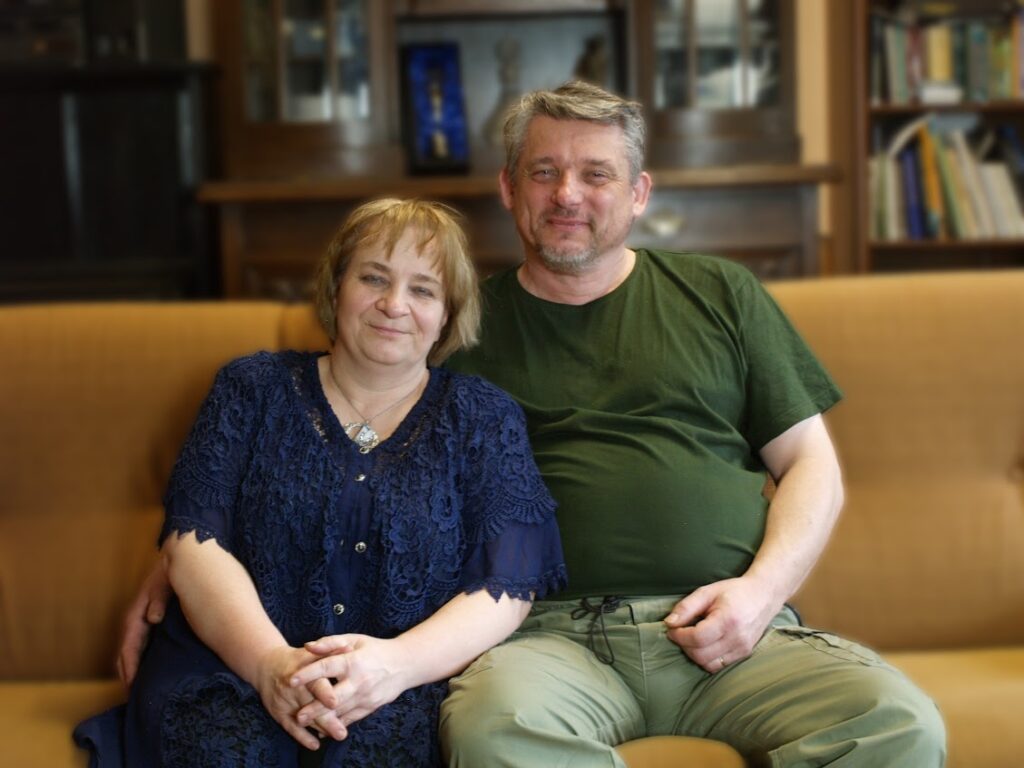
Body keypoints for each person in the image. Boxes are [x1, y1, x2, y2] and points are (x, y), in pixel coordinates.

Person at [118, 81, 947, 766]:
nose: (567, 195)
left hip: (728, 630)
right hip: (548, 640)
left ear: (639, 193)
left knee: (897, 725)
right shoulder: (454, 326)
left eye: (595, 174)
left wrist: (760, 595)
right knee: (491, 732)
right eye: (544, 172)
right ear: (510, 190)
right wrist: (186, 554)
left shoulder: (721, 294)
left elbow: (812, 465)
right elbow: (342, 438)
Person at [74, 198, 567, 767]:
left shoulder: (483, 417)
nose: (394, 304)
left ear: (447, 315)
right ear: (336, 289)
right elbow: (193, 543)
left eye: (423, 290)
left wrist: (394, 666)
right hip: (229, 667)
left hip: (404, 681)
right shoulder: (250, 389)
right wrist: (269, 665)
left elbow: (508, 584)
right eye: (373, 278)